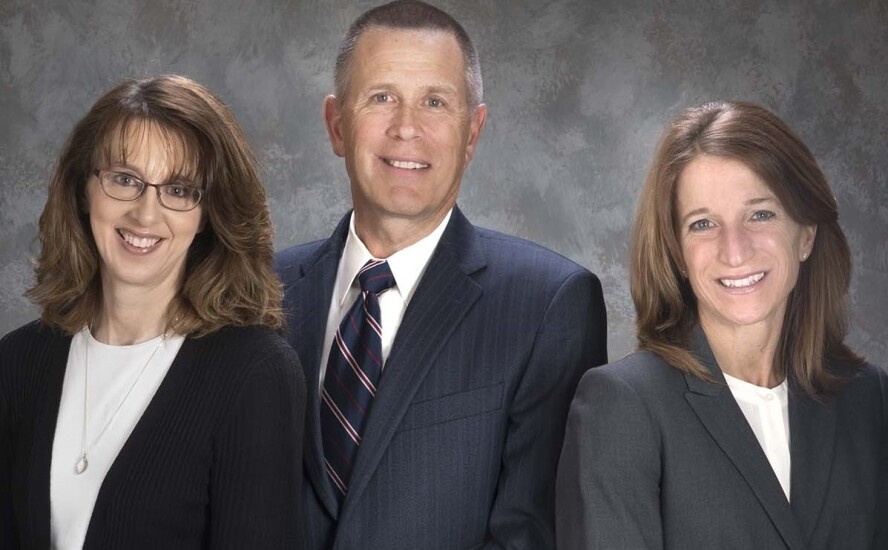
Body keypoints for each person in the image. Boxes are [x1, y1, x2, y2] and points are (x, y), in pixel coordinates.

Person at [274, 1, 608, 547]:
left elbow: (530, 536)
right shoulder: (264, 289)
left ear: (472, 132)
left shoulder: (549, 305)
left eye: (435, 102)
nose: (406, 128)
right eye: (381, 97)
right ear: (337, 125)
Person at [556, 100, 888, 549]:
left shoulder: (868, 398)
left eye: (760, 214)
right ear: (677, 252)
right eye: (703, 223)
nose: (735, 250)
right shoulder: (624, 406)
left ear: (806, 233)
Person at [0, 75, 306, 549]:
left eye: (180, 190)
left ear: (207, 215)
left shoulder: (253, 372)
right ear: (84, 190)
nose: (146, 215)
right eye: (124, 179)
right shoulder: (16, 363)